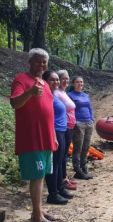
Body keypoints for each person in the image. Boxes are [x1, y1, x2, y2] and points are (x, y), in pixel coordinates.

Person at [10, 48, 57, 222]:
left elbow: (49, 111)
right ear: (30, 62)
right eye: (38, 61)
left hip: (46, 138)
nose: (42, 65)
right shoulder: (21, 80)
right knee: (37, 177)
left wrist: (53, 134)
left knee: (42, 175)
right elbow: (14, 103)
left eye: (44, 62)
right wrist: (29, 93)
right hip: (31, 138)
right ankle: (37, 217)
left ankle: (39, 211)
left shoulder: (44, 84)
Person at [43, 71, 74, 205]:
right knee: (54, 164)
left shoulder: (53, 95)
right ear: (45, 81)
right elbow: (47, 118)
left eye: (57, 80)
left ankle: (60, 189)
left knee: (60, 161)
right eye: (52, 80)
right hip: (55, 131)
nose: (56, 82)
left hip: (62, 130)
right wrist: (53, 134)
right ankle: (53, 194)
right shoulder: (46, 96)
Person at [68, 76, 94, 180]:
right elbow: (69, 110)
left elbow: (89, 108)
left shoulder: (86, 95)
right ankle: (78, 170)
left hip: (88, 123)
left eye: (81, 82)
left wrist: (92, 119)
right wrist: (75, 122)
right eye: (77, 82)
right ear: (73, 84)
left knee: (86, 147)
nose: (80, 84)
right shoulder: (70, 95)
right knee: (78, 147)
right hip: (78, 124)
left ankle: (84, 167)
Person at [55, 70, 77, 190]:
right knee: (62, 156)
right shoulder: (57, 93)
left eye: (67, 78)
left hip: (68, 127)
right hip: (63, 127)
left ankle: (64, 178)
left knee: (64, 155)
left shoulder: (64, 92)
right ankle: (62, 180)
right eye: (63, 78)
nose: (65, 81)